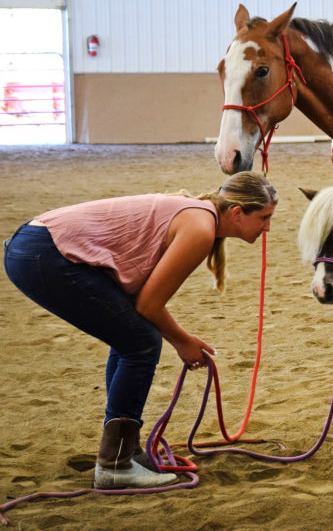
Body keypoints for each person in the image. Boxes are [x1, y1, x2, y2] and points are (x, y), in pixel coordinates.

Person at [3, 171, 277, 489]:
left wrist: (180, 338)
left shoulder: (200, 218)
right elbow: (149, 304)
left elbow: (144, 302)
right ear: (237, 213)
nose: (267, 227)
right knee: (140, 341)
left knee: (133, 337)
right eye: (264, 217)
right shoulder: (200, 228)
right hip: (45, 253)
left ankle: (123, 453)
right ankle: (115, 464)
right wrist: (183, 342)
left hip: (36, 246)